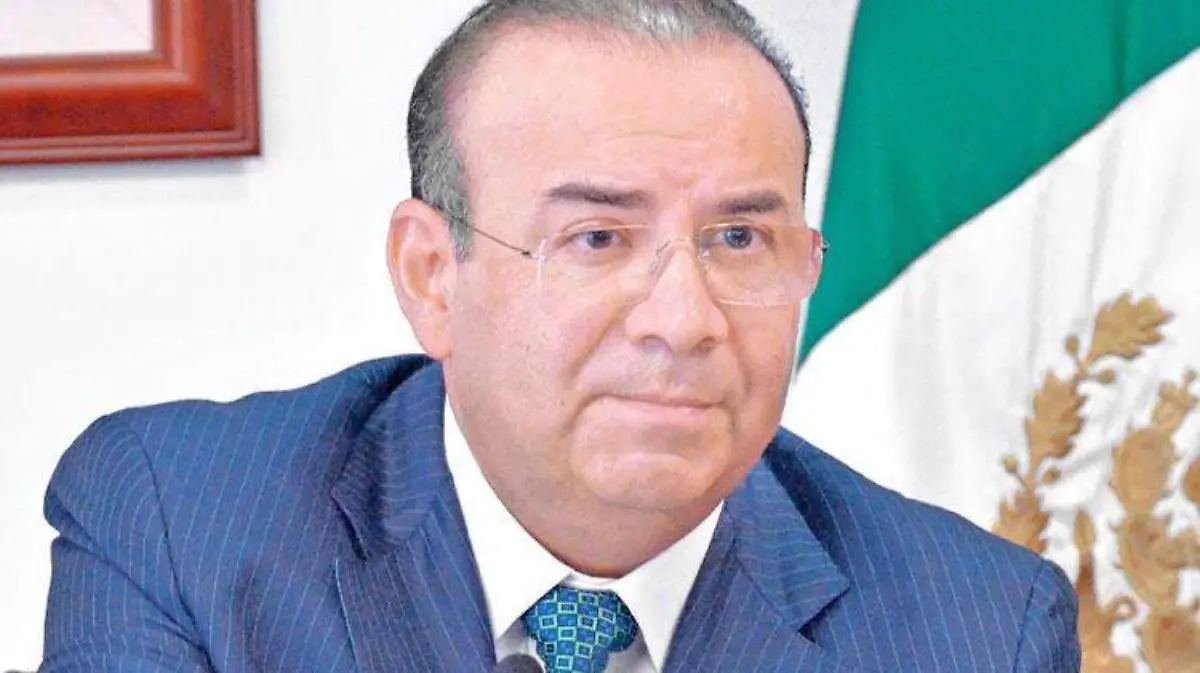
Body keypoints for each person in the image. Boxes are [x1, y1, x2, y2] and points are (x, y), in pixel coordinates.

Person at [39, 1, 1081, 671]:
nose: (683, 320)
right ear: (430, 275)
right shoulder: (181, 525)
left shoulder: (979, 629)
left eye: (739, 238)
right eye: (597, 238)